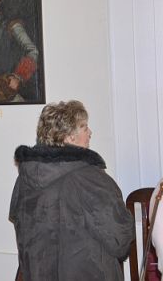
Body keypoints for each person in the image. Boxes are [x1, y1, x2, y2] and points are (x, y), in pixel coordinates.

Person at [9, 100, 134, 281]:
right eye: (84, 127)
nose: (90, 132)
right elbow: (119, 239)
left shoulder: (25, 178)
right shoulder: (90, 178)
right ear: (69, 137)